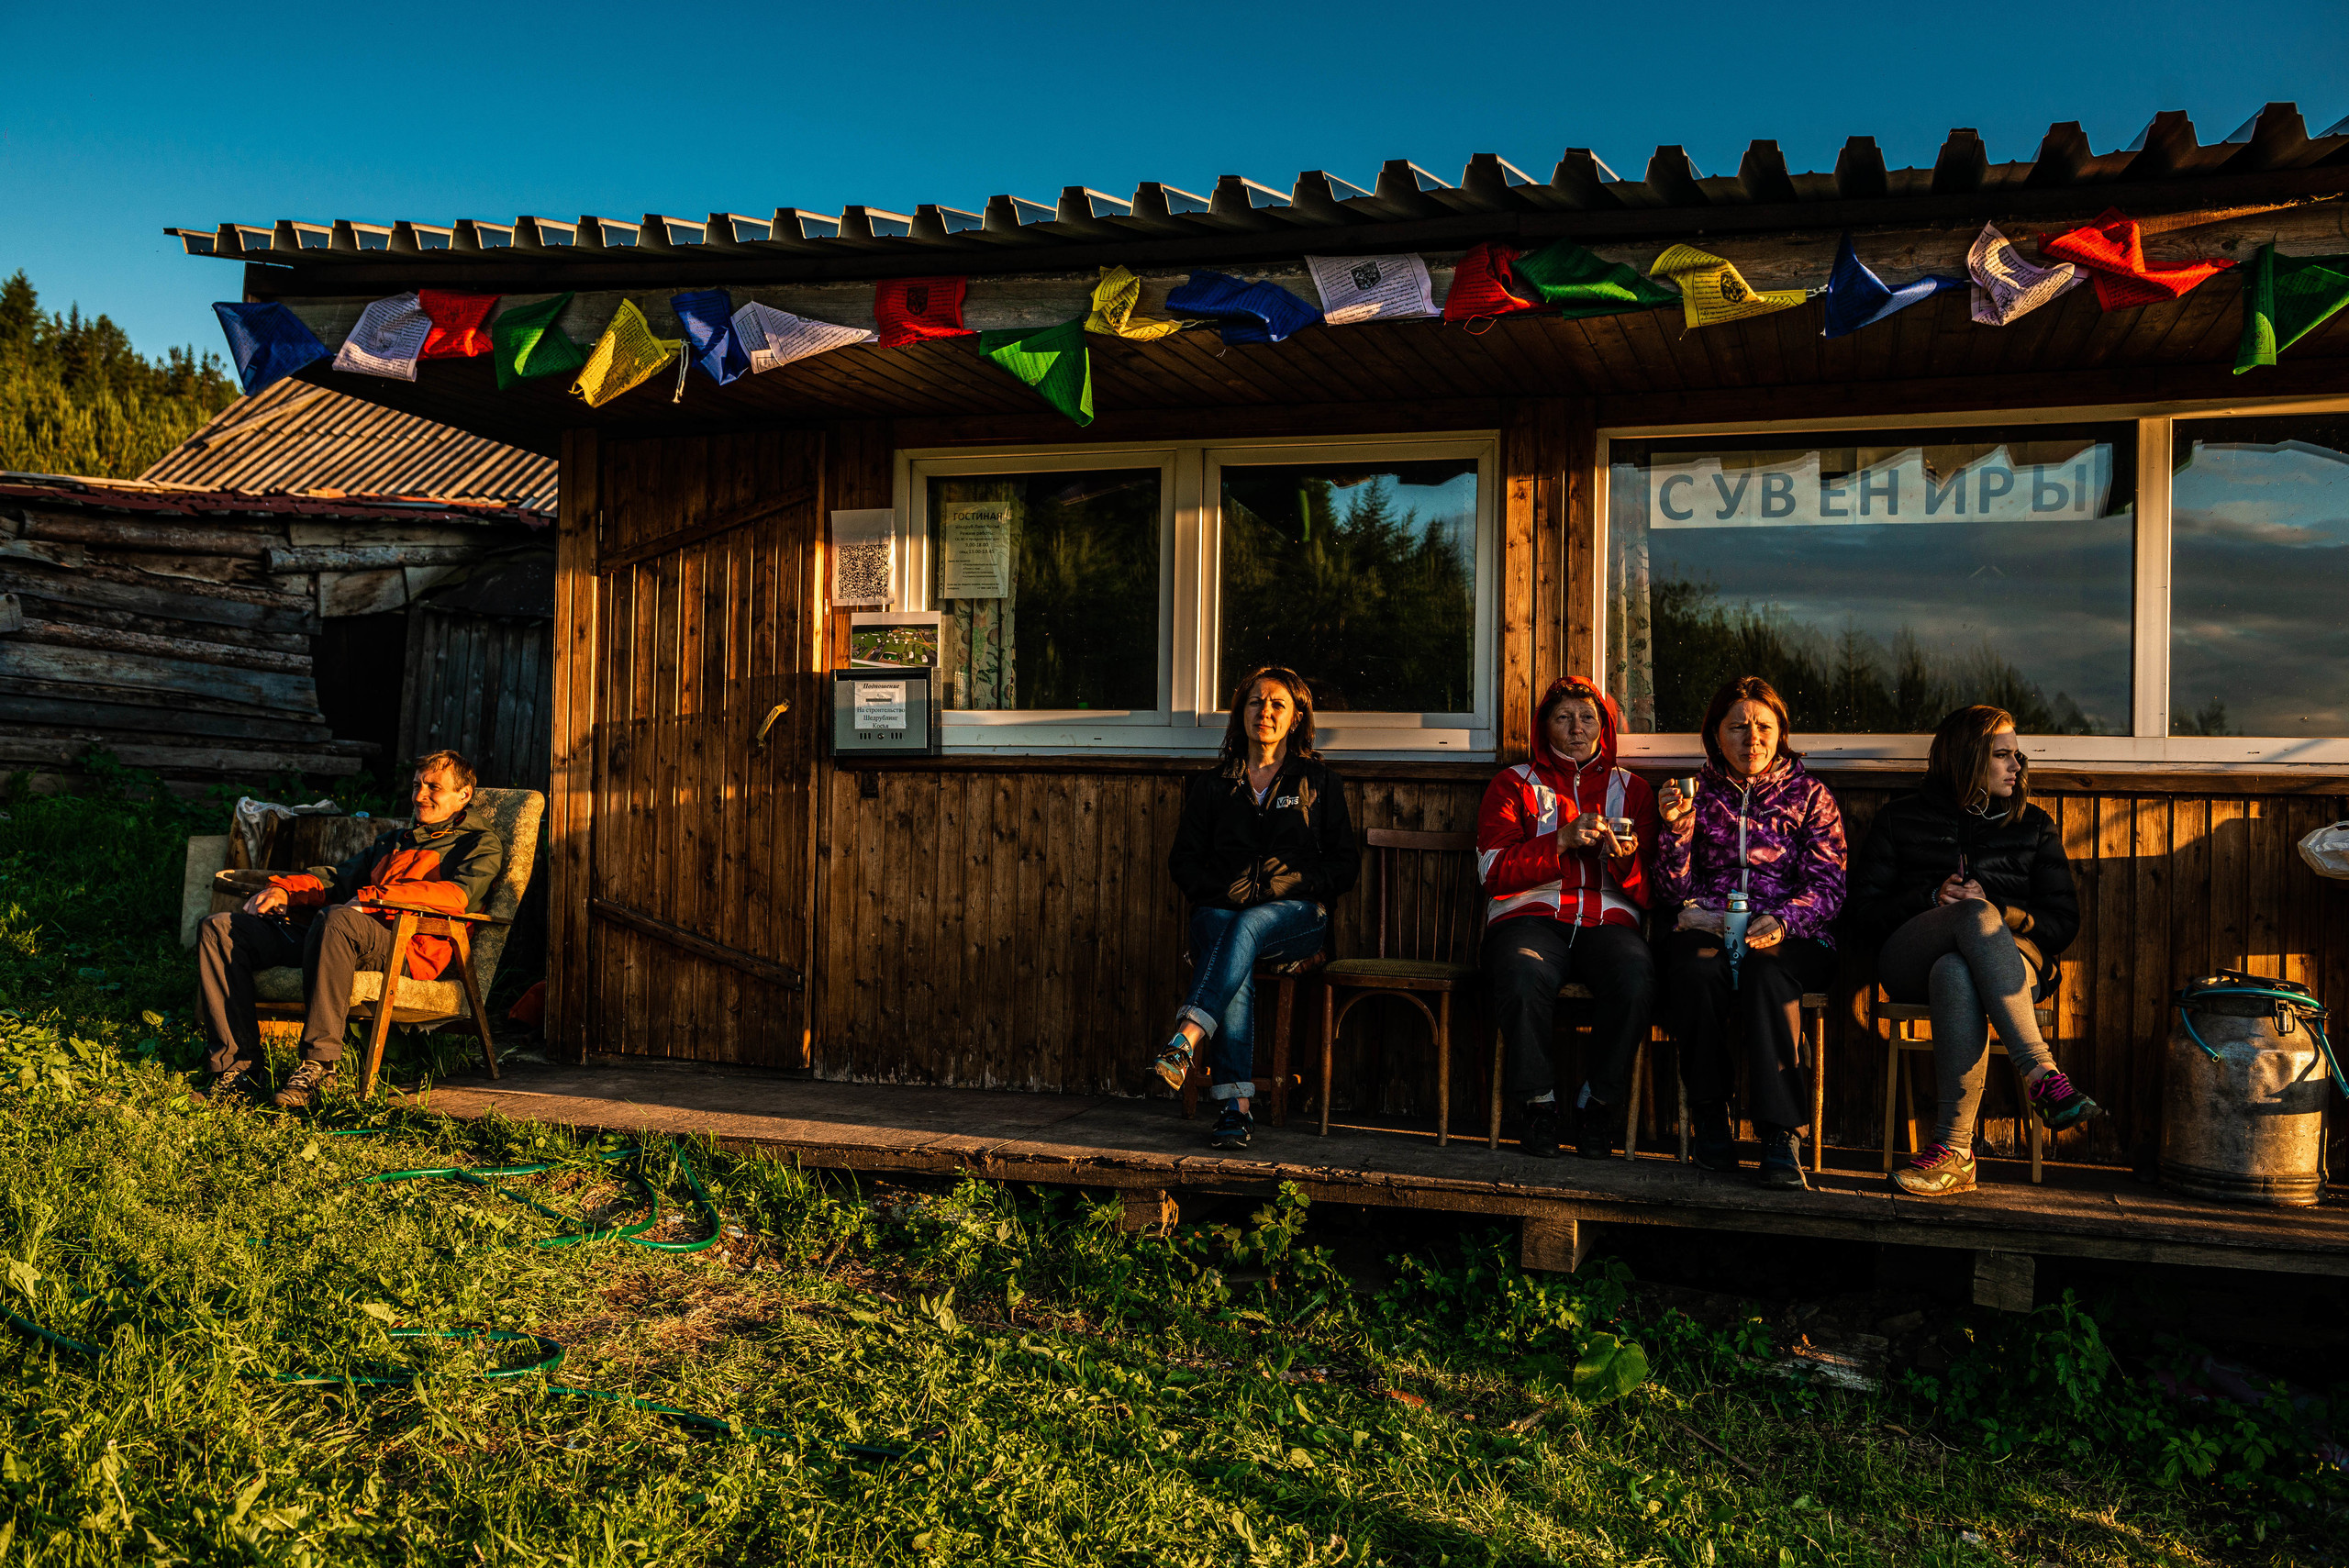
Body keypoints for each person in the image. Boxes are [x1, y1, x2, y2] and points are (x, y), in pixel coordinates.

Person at [1843, 706, 2099, 1196]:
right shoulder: (1901, 819)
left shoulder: (2033, 826)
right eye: (2003, 756)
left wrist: (2001, 912)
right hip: (1910, 957)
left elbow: (2062, 924)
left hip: (2016, 961)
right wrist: (1929, 901)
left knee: (1958, 970)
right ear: (1966, 760)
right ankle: (2042, 1072)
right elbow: (1862, 913)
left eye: (2017, 755)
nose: (2016, 766)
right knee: (1966, 925)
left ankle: (1954, 1152)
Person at [195, 751, 505, 1110]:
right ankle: (236, 1072)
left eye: (433, 787)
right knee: (220, 928)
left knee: (337, 918)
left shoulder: (479, 844)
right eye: (418, 785)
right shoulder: (396, 841)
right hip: (340, 936)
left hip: (408, 947)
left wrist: (372, 900)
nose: (420, 795)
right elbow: (337, 879)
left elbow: (455, 896)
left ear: (463, 794)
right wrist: (285, 889)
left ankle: (319, 1066)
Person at [1654, 677, 1846, 1187]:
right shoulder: (1696, 795)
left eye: (1763, 726)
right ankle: (1710, 1118)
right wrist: (1676, 832)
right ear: (1715, 735)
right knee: (1694, 972)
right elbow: (1673, 893)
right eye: (1737, 726)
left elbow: (1829, 886)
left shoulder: (1811, 797)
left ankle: (1781, 1136)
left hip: (1795, 933)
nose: (1751, 738)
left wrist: (1784, 919)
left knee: (1769, 974)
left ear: (1781, 732)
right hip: (1711, 926)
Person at [1159, 667, 1359, 1151]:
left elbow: (1343, 866)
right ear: (1240, 713)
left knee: (1244, 926)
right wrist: (1227, 891)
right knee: (1235, 937)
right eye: (1254, 702)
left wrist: (1281, 883)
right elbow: (1183, 862)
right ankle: (1236, 1110)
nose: (1264, 713)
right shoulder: (1212, 786)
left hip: (1297, 918)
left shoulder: (1318, 783)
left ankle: (1186, 1038)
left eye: (1276, 705)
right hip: (1220, 911)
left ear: (1295, 719)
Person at [1478, 676, 1658, 1159]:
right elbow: (1492, 872)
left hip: (1609, 924)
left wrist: (1623, 859)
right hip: (1530, 918)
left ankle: (1596, 1105)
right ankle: (1538, 1107)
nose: (1576, 728)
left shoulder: (1634, 791)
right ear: (1544, 728)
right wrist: (1558, 840)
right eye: (1563, 718)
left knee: (1637, 977)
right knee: (1520, 972)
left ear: (1605, 726)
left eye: (1587, 717)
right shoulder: (1513, 784)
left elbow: (1652, 892)